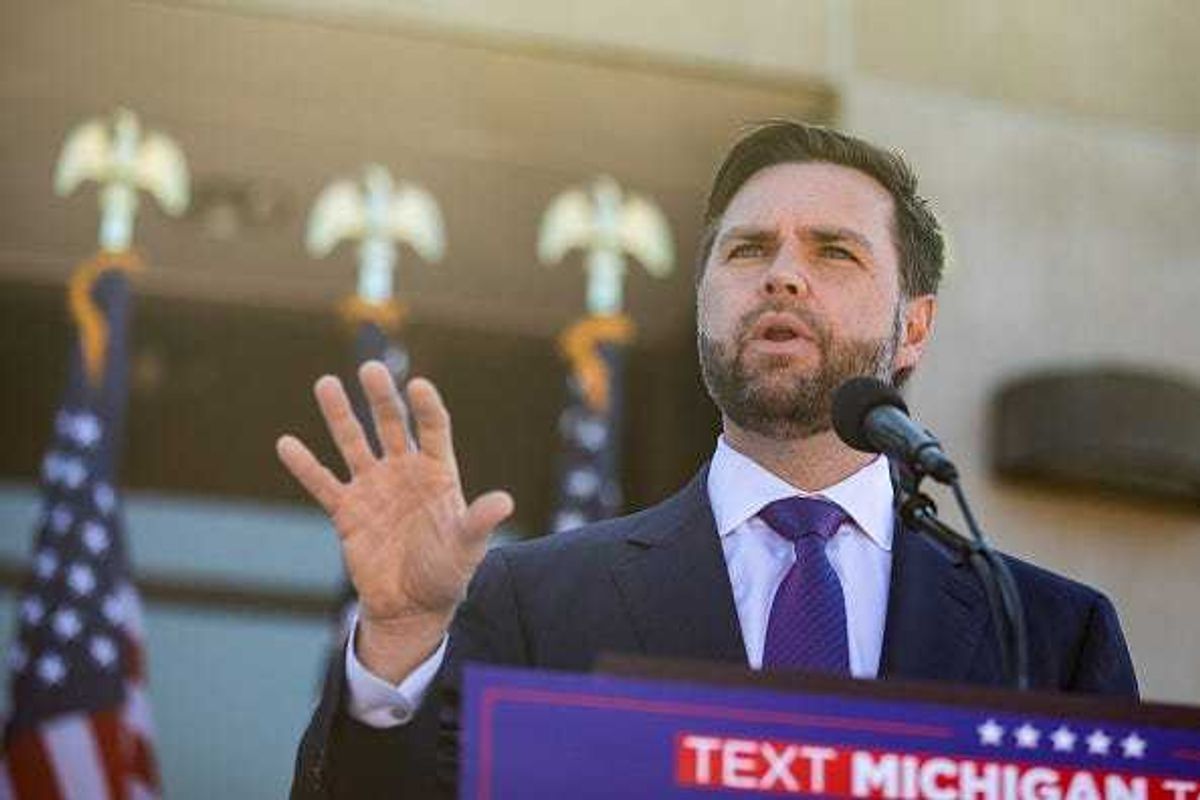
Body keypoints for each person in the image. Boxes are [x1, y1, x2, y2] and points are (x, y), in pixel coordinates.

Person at [278, 121, 1138, 798]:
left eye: (833, 250)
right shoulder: (536, 601)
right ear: (703, 303)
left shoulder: (1052, 633)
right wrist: (397, 645)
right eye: (748, 250)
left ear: (914, 325)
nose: (782, 277)